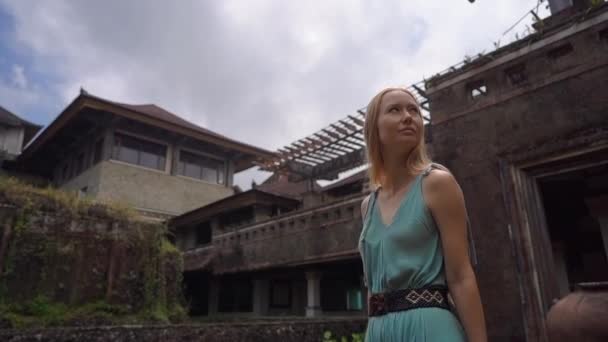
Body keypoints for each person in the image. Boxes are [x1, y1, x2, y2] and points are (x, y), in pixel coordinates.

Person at [358, 87, 487, 341]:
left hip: (430, 328)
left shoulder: (437, 184)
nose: (408, 116)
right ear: (375, 128)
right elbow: (371, 286)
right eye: (395, 110)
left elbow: (461, 276)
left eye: (414, 110)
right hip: (378, 331)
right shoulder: (368, 206)